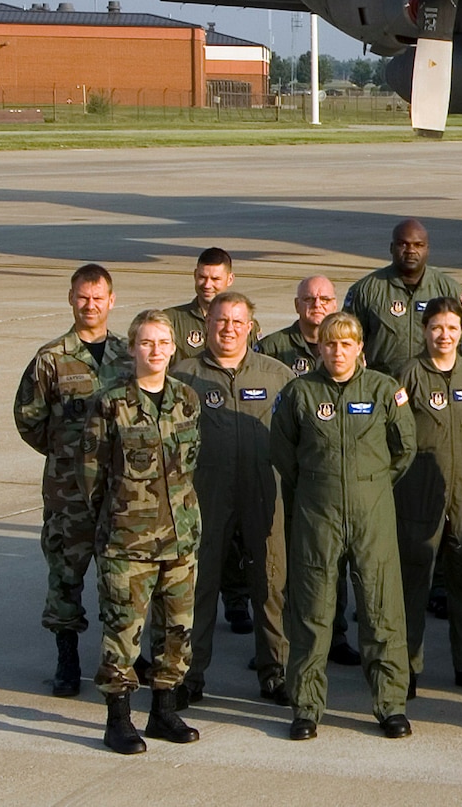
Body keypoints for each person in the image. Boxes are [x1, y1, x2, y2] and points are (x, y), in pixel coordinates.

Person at [270, 311, 416, 740]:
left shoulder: (384, 389)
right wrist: (321, 484)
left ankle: (390, 704)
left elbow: (405, 448)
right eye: (330, 344)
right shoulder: (299, 393)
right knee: (313, 608)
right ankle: (307, 707)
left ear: (359, 348)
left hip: (373, 507)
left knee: (381, 605)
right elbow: (283, 450)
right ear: (319, 347)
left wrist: (370, 484)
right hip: (318, 508)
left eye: (347, 344)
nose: (338, 351)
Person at [83, 309, 202, 755]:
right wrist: (114, 521)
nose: (155, 351)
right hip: (126, 542)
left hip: (181, 537)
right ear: (132, 348)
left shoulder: (186, 400)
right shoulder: (110, 403)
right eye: (146, 343)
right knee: (123, 633)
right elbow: (90, 472)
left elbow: (190, 465)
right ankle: (118, 720)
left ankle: (163, 711)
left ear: (173, 349)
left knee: (176, 632)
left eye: (163, 343)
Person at [173, 291, 293, 705]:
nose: (228, 329)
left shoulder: (278, 375)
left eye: (237, 322)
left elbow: (297, 436)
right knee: (200, 582)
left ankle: (274, 671)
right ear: (207, 324)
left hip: (265, 490)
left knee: (271, 581)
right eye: (221, 321)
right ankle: (189, 674)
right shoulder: (183, 376)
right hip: (206, 491)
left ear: (250, 327)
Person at [15, 262, 127, 697]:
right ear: (71, 299)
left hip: (118, 491)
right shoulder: (51, 358)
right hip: (68, 492)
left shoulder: (126, 354)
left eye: (98, 297)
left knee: (121, 576)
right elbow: (28, 419)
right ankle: (67, 657)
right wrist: (66, 454)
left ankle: (121, 657)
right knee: (66, 574)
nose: (90, 305)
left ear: (111, 301)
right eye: (83, 297)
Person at [395, 297, 462, 695]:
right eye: (437, 327)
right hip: (421, 482)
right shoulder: (409, 374)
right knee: (416, 573)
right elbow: (396, 434)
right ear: (424, 330)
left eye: (452, 328)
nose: (445, 335)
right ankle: (406, 666)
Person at [343, 218, 462, 378]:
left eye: (418, 245)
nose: (411, 250)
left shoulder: (450, 290)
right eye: (403, 244)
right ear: (391, 248)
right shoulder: (365, 291)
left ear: (428, 249)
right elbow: (345, 342)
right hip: (383, 387)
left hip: (433, 387)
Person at [164, 247, 243, 358]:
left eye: (215, 279)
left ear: (230, 279)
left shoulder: (243, 323)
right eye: (202, 277)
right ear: (195, 275)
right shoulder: (170, 321)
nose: (207, 285)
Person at [259, 275, 337, 375]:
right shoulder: (271, 348)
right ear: (297, 305)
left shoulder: (347, 347)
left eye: (325, 299)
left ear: (335, 305)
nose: (317, 304)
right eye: (309, 299)